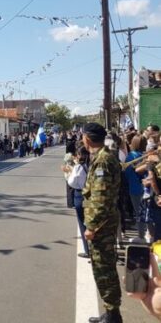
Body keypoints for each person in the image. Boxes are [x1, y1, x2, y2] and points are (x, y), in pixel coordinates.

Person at [82, 123, 123, 323]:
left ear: (87, 139)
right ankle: (110, 312)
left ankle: (113, 315)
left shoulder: (102, 161)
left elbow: (101, 199)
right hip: (104, 225)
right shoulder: (102, 157)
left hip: (102, 227)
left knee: (104, 269)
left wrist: (92, 227)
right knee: (102, 268)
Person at [67, 146, 90, 258]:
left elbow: (72, 182)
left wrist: (68, 173)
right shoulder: (89, 165)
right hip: (89, 194)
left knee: (82, 223)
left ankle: (87, 249)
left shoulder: (79, 166)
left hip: (80, 195)